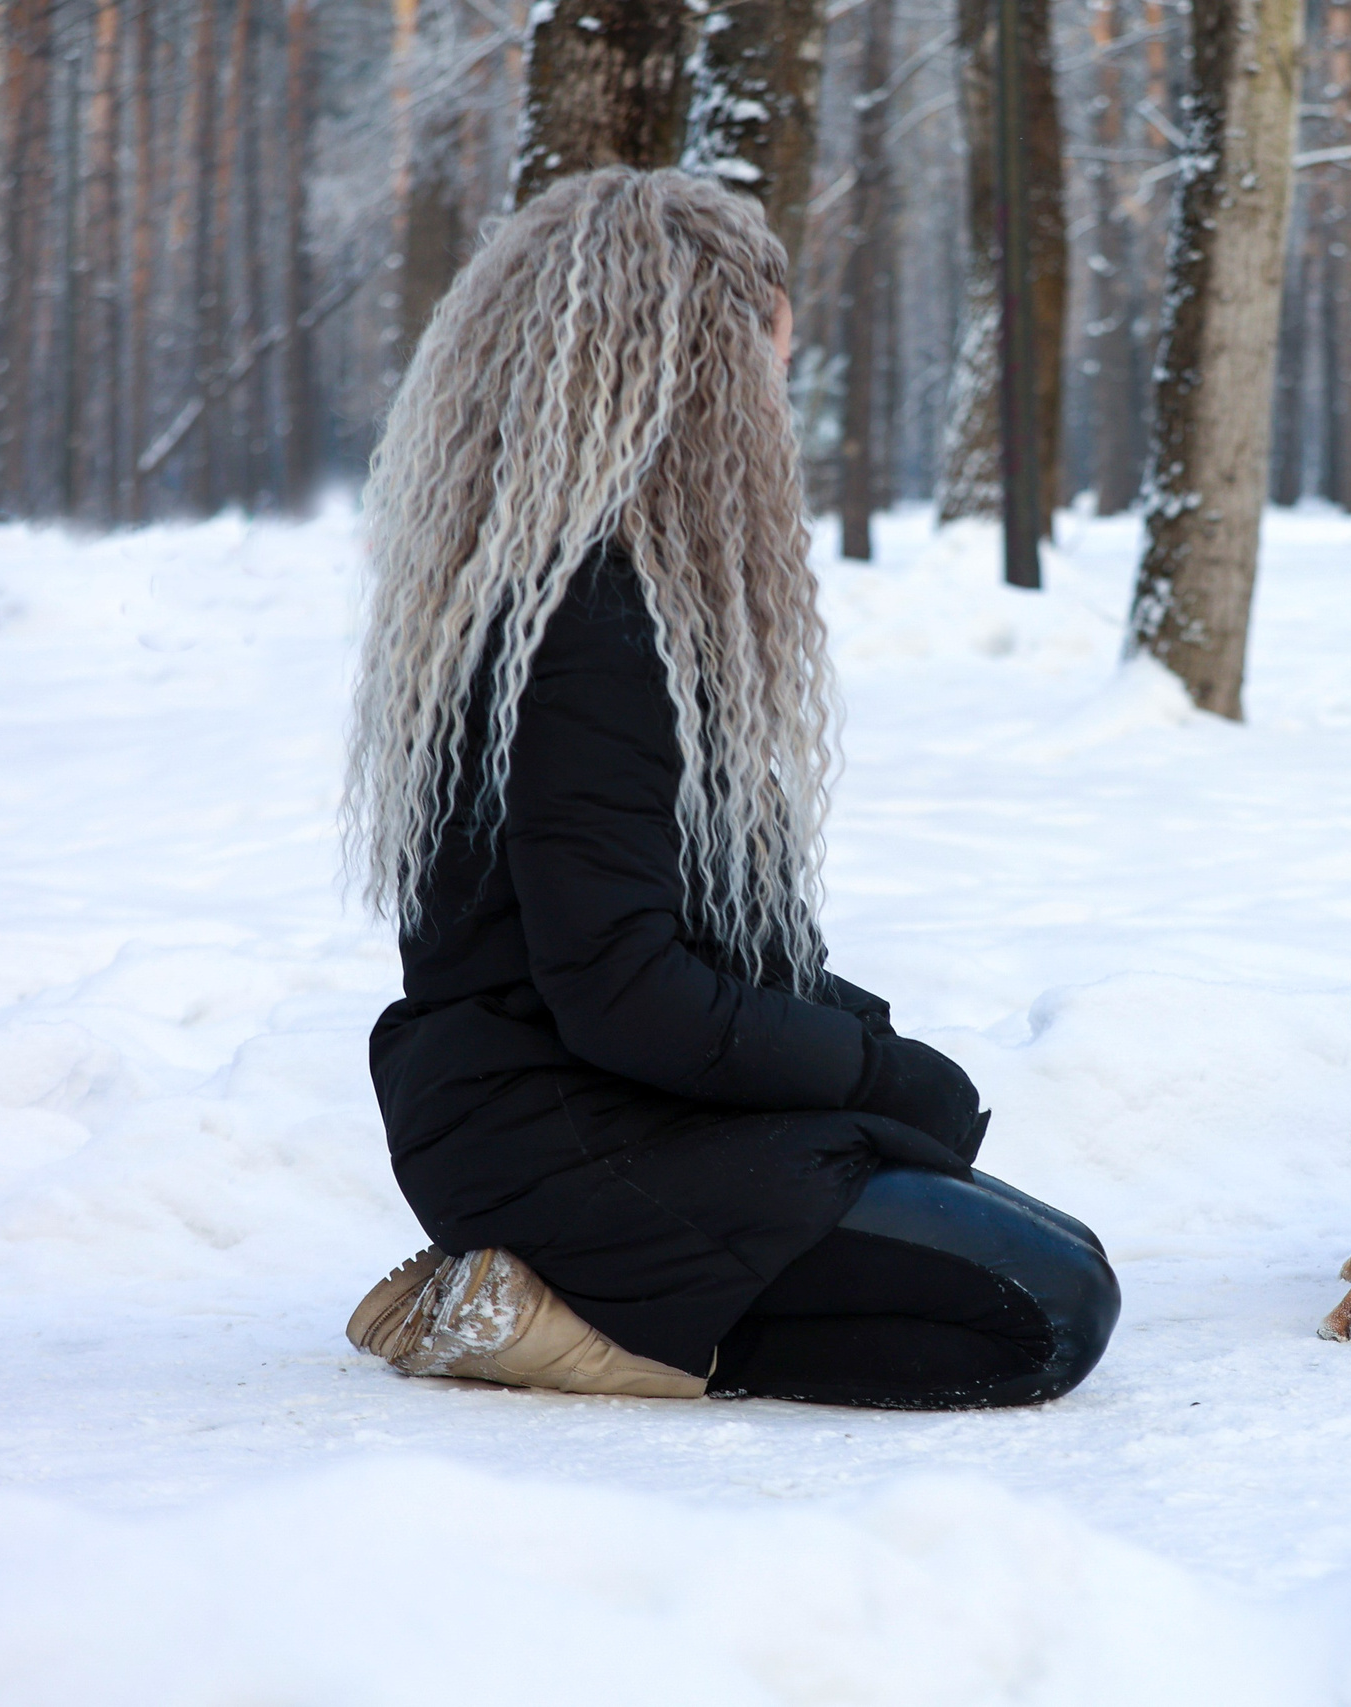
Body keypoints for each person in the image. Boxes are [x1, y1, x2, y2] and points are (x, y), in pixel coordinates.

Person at [339, 168, 1116, 1408]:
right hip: (557, 1131)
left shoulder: (609, 597)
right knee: (1046, 1312)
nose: (779, 414)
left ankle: (604, 1290)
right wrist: (869, 1075)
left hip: (583, 1103)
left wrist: (867, 1039)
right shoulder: (591, 625)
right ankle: (546, 1318)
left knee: (1052, 1247)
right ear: (696, 382)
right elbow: (626, 992)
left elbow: (691, 937)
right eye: (769, 373)